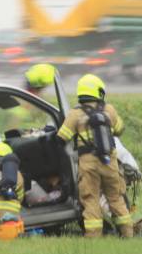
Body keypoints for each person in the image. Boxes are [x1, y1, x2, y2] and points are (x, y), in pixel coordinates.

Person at [56, 74, 133, 238]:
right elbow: (120, 130)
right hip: (109, 161)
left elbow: (61, 138)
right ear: (98, 91)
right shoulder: (109, 110)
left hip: (88, 164)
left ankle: (93, 238)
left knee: (91, 198)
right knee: (115, 197)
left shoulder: (75, 114)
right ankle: (127, 234)